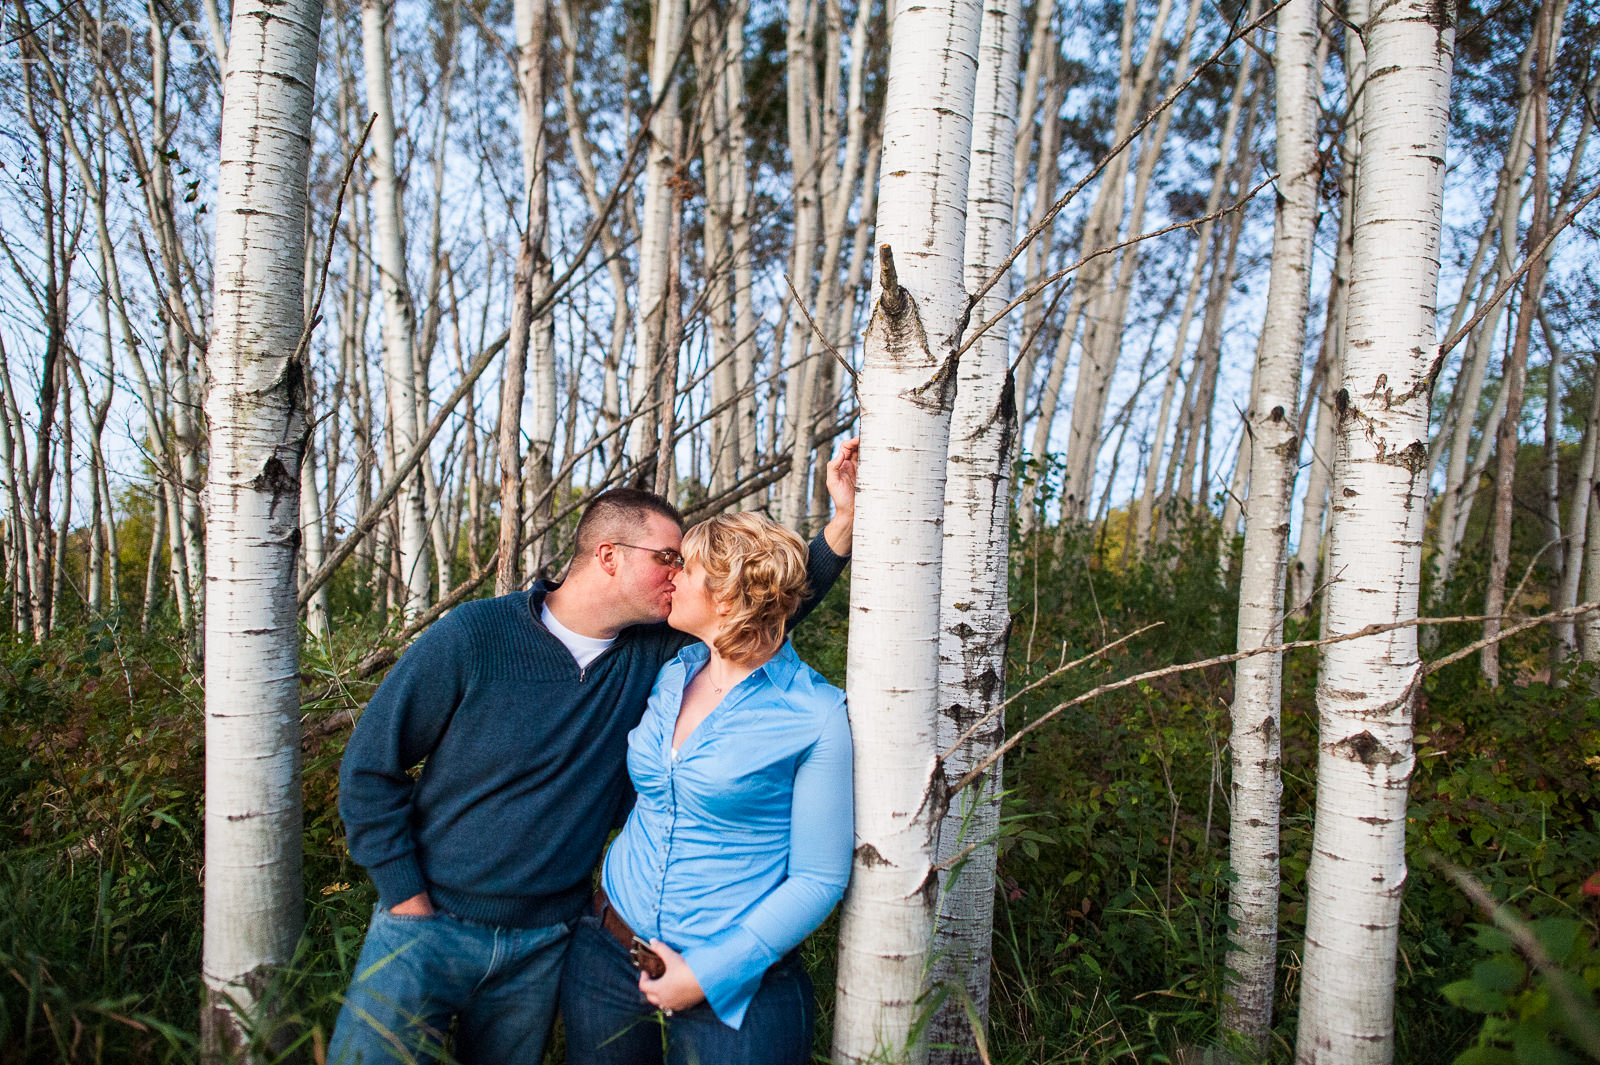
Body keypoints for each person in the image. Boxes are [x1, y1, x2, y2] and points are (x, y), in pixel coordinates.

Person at [327, 440, 858, 1065]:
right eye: (667, 557)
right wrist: (406, 898)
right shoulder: (476, 636)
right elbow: (369, 769)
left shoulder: (657, 657)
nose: (676, 573)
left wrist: (841, 527)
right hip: (427, 924)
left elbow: (757, 608)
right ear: (608, 555)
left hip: (548, 941)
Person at [560, 512, 853, 1065]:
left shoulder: (815, 714)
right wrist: (842, 520)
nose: (670, 576)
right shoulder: (673, 670)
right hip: (606, 953)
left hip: (735, 986)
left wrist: (707, 973)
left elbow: (819, 878)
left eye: (685, 567)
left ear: (727, 593)